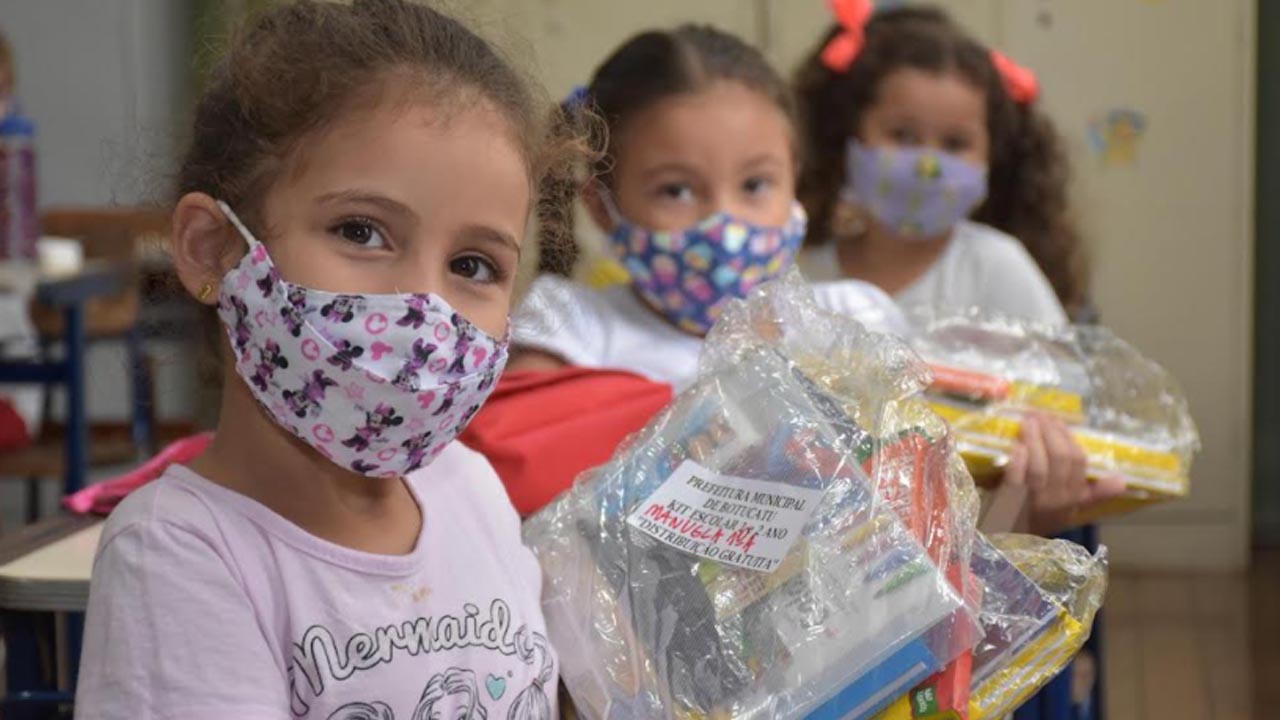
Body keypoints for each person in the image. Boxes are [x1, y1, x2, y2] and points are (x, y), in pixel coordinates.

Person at [74, 2, 572, 716]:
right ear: (214, 249)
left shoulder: (470, 490)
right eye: (362, 232)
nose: (425, 307)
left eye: (474, 264)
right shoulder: (179, 555)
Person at [793, 0, 1118, 533]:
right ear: (847, 136)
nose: (927, 163)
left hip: (983, 541)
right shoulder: (805, 273)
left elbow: (1066, 400)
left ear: (994, 157)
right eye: (902, 135)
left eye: (954, 143)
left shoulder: (997, 267)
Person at [508, 24, 906, 390]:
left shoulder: (850, 322)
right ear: (601, 207)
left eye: (754, 184)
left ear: (794, 183)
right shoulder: (568, 331)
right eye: (676, 191)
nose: (725, 226)